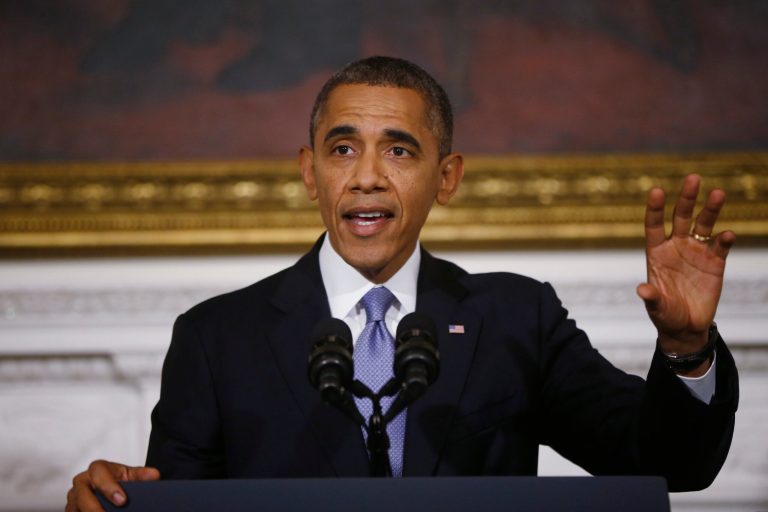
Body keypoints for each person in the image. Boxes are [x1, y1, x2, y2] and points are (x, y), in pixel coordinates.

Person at [65, 56, 738, 511]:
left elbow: (669, 463)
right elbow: (177, 500)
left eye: (399, 150)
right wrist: (118, 499)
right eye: (342, 148)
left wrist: (687, 349)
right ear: (309, 174)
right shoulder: (216, 338)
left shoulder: (514, 319)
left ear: (447, 177)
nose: (366, 177)